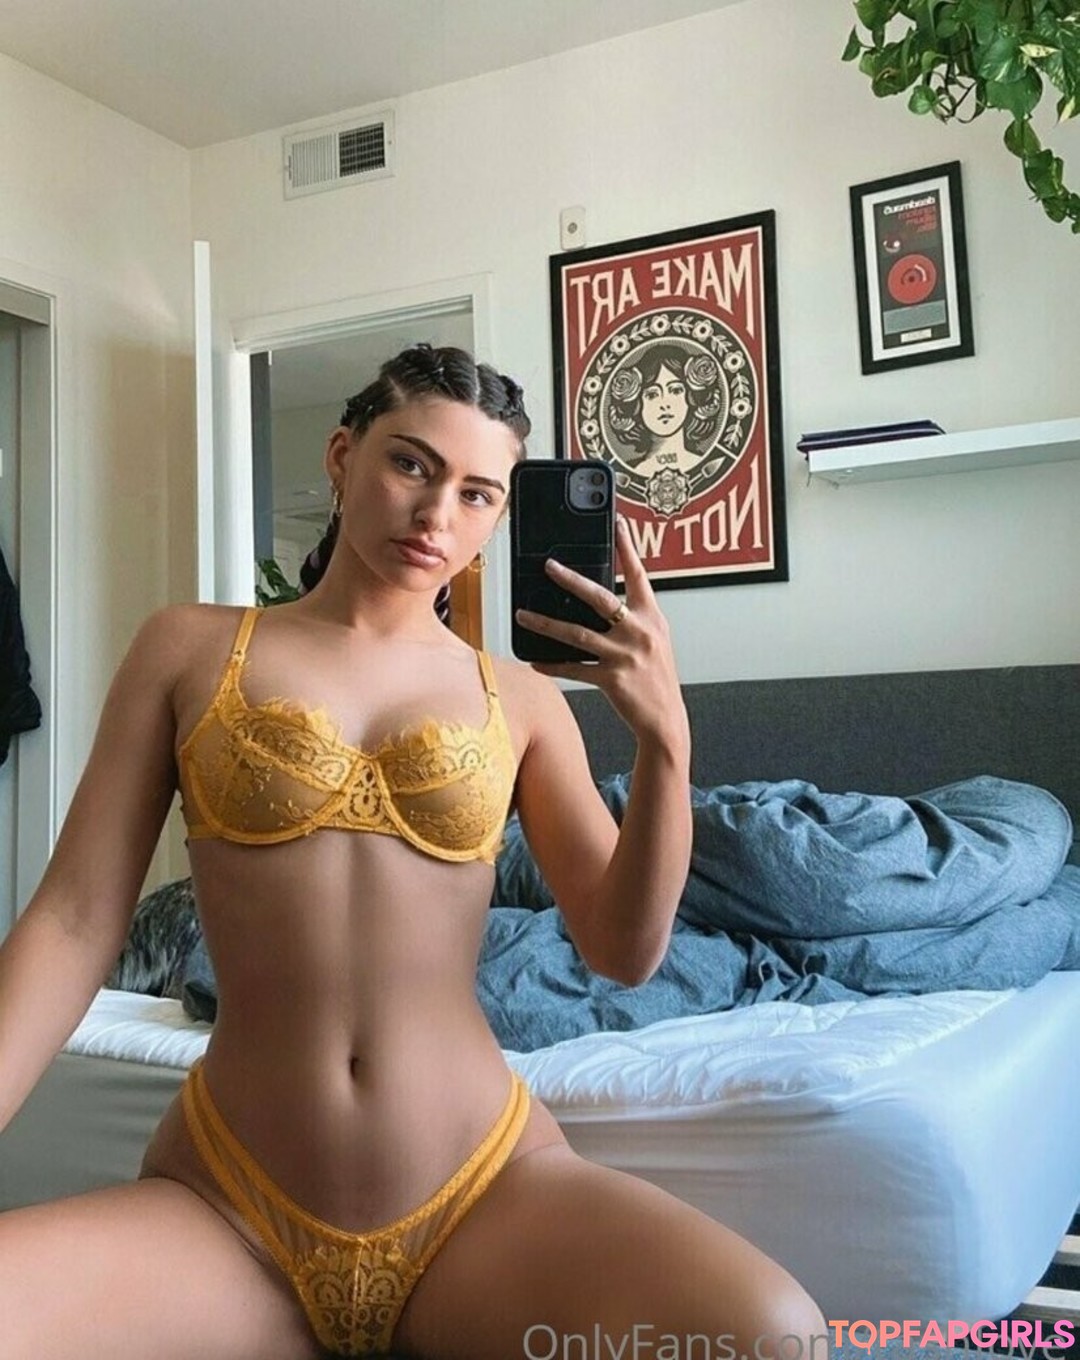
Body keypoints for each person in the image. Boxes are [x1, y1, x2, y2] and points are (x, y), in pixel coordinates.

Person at [0, 343, 825, 1359]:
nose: (438, 515)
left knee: (772, 1332)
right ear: (342, 457)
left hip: (480, 1192)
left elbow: (624, 949)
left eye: (478, 494)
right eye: (411, 464)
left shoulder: (522, 700)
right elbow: (75, 921)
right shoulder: (189, 648)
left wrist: (666, 742)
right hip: (230, 1205)